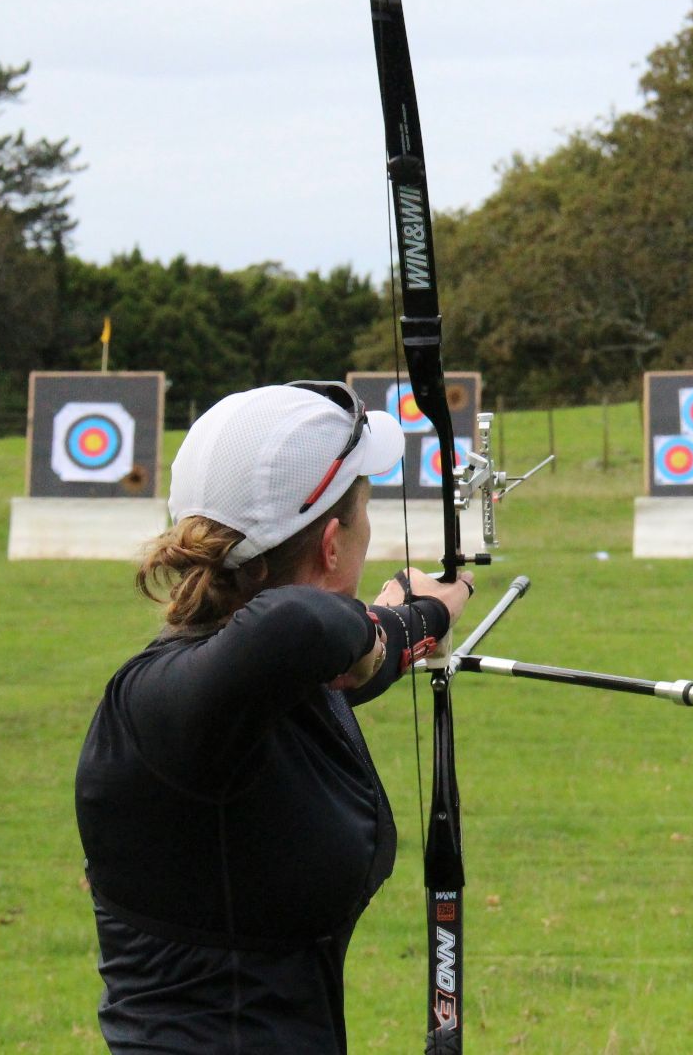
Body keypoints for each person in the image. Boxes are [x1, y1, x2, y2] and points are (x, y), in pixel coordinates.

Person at [74, 382, 473, 1053]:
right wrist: (391, 624)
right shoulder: (165, 703)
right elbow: (300, 627)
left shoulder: (256, 690)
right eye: (366, 512)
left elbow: (327, 661)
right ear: (330, 544)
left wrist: (426, 612)